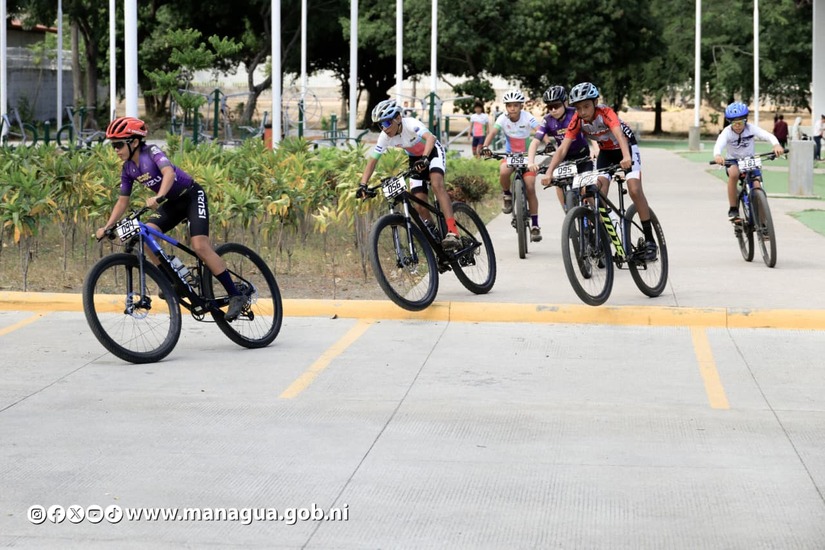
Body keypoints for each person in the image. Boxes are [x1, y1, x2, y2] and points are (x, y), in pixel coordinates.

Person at [95, 116, 248, 321]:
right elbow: (122, 201)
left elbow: (168, 173)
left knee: (200, 246)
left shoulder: (152, 153)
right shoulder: (128, 169)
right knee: (146, 234)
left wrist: (159, 196)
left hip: (191, 195)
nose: (115, 149)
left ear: (134, 142)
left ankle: (236, 295)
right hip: (172, 204)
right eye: (113, 145)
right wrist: (107, 227)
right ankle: (173, 281)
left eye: (119, 144)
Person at [544, 81, 658, 261]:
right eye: (578, 108)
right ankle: (605, 235)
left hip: (625, 147)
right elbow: (562, 149)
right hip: (606, 152)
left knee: (635, 190)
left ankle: (651, 241)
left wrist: (626, 157)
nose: (583, 112)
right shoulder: (577, 120)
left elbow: (620, 135)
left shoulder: (606, 113)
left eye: (586, 106)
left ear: (595, 103)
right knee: (595, 193)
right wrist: (549, 172)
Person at [357, 99, 460, 250]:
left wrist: (425, 158)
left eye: (386, 123)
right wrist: (363, 184)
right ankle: (434, 235)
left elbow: (431, 138)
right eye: (380, 125)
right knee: (418, 203)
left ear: (398, 118)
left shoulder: (410, 123)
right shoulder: (385, 137)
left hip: (432, 153)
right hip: (415, 160)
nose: (384, 129)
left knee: (437, 184)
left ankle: (453, 231)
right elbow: (373, 160)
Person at [481, 90, 544, 242]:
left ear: (521, 106)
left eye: (516, 105)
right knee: (503, 171)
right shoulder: (502, 118)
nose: (513, 108)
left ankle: (535, 225)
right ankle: (507, 195)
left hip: (526, 156)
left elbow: (540, 131)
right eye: (509, 106)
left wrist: (547, 144)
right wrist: (485, 146)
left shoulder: (528, 117)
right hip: (510, 156)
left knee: (530, 187)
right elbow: (493, 133)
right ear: (506, 107)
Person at [713, 102, 785, 221]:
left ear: (745, 120)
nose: (737, 126)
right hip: (733, 161)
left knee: (757, 186)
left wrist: (776, 145)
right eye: (733, 123)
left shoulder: (751, 129)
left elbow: (767, 135)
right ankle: (733, 208)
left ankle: (763, 223)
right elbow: (718, 145)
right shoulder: (726, 132)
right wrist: (717, 155)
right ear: (729, 122)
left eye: (740, 122)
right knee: (734, 174)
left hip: (750, 160)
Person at [527, 85, 593, 211]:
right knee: (558, 182)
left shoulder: (575, 113)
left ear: (565, 103)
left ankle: (597, 215)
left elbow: (589, 132)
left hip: (582, 155)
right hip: (564, 157)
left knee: (586, 187)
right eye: (549, 107)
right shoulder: (547, 120)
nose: (553, 110)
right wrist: (531, 162)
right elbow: (535, 142)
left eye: (556, 105)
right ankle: (568, 211)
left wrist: (595, 149)